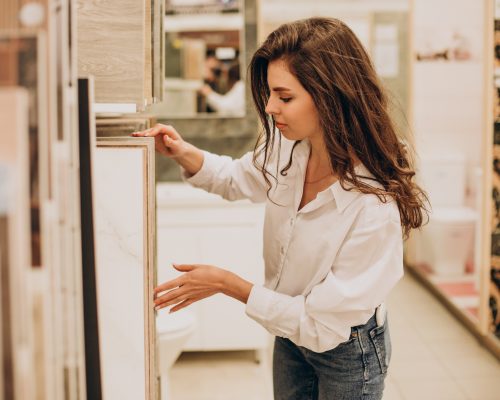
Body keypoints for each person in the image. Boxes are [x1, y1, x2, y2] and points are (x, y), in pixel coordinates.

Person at [133, 17, 428, 400]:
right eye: (271, 94)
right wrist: (182, 152)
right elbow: (235, 178)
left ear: (329, 95)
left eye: (284, 97)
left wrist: (227, 284)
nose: (270, 107)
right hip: (289, 333)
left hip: (345, 347)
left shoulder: (374, 204)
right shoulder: (288, 149)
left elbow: (320, 325)